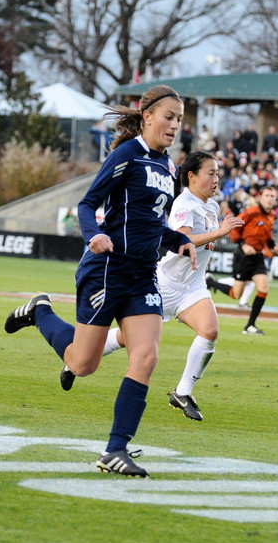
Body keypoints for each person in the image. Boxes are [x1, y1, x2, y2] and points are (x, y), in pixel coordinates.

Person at [3, 84, 196, 478]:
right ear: (147, 117)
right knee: (82, 363)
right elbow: (88, 203)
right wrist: (93, 234)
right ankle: (40, 311)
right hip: (106, 268)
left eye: (179, 119)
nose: (175, 125)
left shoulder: (169, 167)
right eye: (168, 117)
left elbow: (153, 224)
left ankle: (115, 449)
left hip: (142, 275)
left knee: (146, 356)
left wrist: (179, 240)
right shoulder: (127, 155)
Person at [98, 150, 243, 421]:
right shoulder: (184, 204)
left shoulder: (211, 207)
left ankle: (182, 392)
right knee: (128, 338)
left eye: (218, 174)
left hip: (193, 286)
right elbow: (182, 241)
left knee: (210, 331)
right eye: (210, 173)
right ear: (191, 176)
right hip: (166, 283)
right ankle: (79, 358)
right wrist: (221, 232)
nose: (216, 179)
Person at [206, 185, 278, 335]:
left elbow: (268, 237)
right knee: (236, 294)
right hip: (243, 257)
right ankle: (209, 282)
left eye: (272, 196)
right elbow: (234, 228)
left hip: (258, 257)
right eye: (267, 195)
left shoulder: (272, 215)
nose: (270, 199)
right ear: (260, 198)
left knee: (263, 288)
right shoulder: (251, 212)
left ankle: (250, 325)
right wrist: (243, 244)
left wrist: (274, 247)